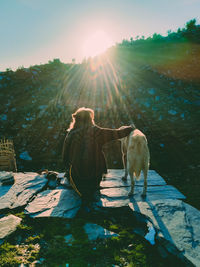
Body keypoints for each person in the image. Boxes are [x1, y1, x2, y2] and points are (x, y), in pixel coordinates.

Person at [62, 107, 135, 205]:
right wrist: (130, 128)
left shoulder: (71, 134)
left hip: (76, 177)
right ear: (90, 119)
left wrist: (69, 171)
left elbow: (65, 156)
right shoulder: (97, 132)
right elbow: (117, 133)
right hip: (94, 176)